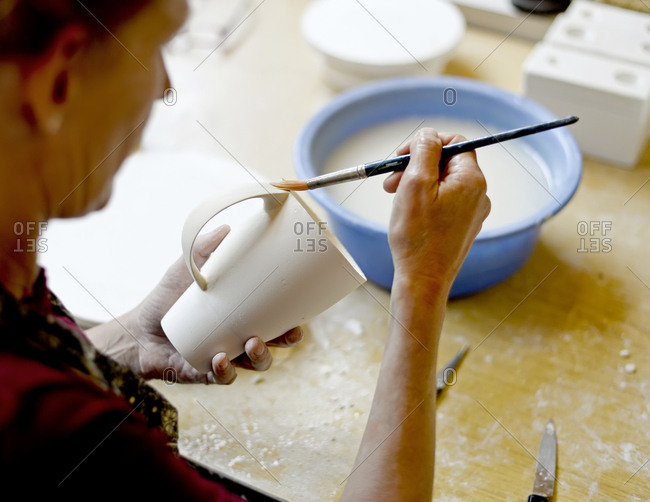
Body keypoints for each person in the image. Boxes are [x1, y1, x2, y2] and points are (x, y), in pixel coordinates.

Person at [0, 0, 490, 500]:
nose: (166, 86)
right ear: (56, 82)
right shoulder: (66, 436)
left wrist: (129, 345)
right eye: (155, 48)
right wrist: (424, 283)